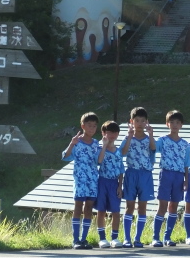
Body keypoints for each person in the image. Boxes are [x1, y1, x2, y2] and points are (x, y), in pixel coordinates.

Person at [61, 112, 102, 249]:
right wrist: (71, 144)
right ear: (83, 126)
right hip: (80, 179)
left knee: (89, 207)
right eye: (89, 125)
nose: (92, 128)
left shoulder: (96, 143)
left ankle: (84, 239)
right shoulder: (77, 142)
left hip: (93, 179)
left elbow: (99, 160)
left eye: (94, 126)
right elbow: (65, 156)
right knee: (78, 206)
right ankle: (75, 240)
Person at [151, 110, 190, 247]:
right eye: (172, 122)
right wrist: (150, 134)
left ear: (181, 125)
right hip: (166, 174)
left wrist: (186, 180)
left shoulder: (185, 144)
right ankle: (155, 237)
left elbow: (186, 163)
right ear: (167, 124)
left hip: (179, 175)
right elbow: (153, 148)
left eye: (177, 122)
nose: (174, 125)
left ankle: (167, 237)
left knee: (174, 206)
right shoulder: (162, 140)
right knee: (162, 205)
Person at [120, 106, 155, 248]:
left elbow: (153, 149)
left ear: (146, 122)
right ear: (131, 122)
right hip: (131, 173)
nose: (140, 124)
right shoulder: (128, 137)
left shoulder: (148, 138)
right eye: (137, 120)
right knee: (129, 206)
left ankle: (138, 238)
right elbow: (123, 152)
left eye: (143, 121)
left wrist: (151, 134)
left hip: (145, 174)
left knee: (142, 207)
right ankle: (127, 238)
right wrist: (129, 136)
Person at [95, 120, 124, 248]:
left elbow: (121, 170)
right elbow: (99, 161)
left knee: (116, 211)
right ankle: (102, 238)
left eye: (115, 132)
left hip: (114, 183)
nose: (112, 135)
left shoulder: (118, 151)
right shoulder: (99, 148)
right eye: (109, 132)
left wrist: (120, 186)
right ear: (103, 133)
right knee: (101, 210)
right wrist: (104, 146)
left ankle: (115, 238)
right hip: (102, 181)